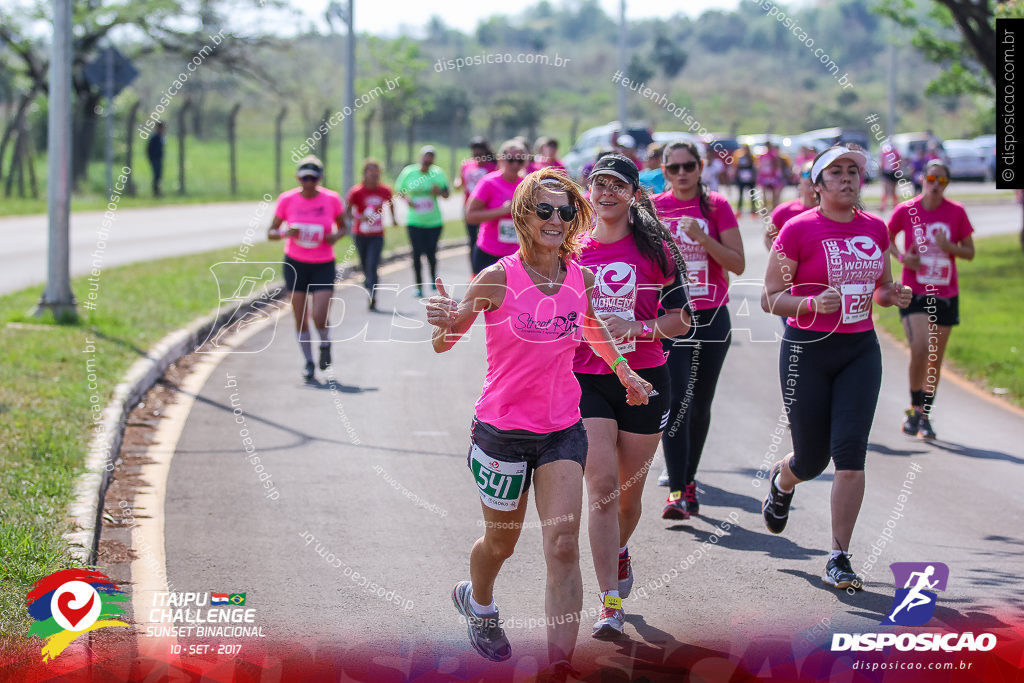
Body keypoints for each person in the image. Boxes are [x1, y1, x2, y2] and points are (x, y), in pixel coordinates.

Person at [426, 167, 652, 674]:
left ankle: (558, 666)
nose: (555, 219)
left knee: (563, 542)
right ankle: (478, 601)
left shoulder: (580, 276)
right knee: (501, 543)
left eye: (565, 211)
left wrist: (624, 372)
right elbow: (446, 342)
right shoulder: (497, 278)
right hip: (501, 432)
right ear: (523, 216)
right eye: (544, 209)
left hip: (562, 429)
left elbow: (591, 327)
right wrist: (442, 322)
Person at [760, 145, 912, 590]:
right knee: (811, 458)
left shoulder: (876, 228)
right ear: (818, 183)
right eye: (836, 172)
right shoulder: (798, 229)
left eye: (854, 172)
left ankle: (839, 557)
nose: (847, 178)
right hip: (806, 349)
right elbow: (770, 297)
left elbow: (881, 287)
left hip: (859, 350)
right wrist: (808, 302)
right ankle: (782, 480)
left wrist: (892, 295)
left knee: (849, 455)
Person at [575, 155, 691, 638]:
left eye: (616, 186)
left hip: (645, 379)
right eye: (598, 184)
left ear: (634, 194)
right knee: (601, 489)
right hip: (585, 378)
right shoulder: (571, 248)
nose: (606, 193)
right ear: (588, 191)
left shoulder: (656, 250)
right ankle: (609, 603)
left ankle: (621, 550)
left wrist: (639, 328)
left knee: (627, 497)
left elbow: (682, 320)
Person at [653, 141, 745, 518]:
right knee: (677, 401)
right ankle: (676, 490)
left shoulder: (716, 207)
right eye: (673, 168)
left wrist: (703, 238)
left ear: (701, 166)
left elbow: (738, 264)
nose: (681, 174)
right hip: (674, 316)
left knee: (699, 405)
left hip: (711, 315)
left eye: (688, 166)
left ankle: (688, 480)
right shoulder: (653, 209)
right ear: (664, 171)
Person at [887, 160, 975, 440]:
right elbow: (885, 236)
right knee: (920, 348)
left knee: (935, 357)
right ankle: (914, 407)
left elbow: (970, 252)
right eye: (931, 178)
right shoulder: (907, 210)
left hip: (946, 293)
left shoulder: (956, 212)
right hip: (915, 290)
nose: (936, 184)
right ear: (921, 179)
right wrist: (902, 257)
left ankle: (924, 415)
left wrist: (950, 247)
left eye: (942, 181)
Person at [267, 155, 347, 380]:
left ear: (320, 178)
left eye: (313, 178)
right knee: (300, 316)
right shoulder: (287, 199)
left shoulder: (331, 199)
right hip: (295, 263)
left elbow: (343, 227)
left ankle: (324, 343)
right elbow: (271, 232)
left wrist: (334, 237)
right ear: (298, 178)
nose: (309, 183)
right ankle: (309, 362)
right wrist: (285, 233)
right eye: (305, 178)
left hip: (323, 263)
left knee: (320, 315)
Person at [395, 145, 450, 297]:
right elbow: (399, 190)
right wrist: (407, 199)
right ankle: (418, 285)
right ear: (420, 157)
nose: (427, 162)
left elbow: (447, 194)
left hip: (434, 221)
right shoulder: (410, 172)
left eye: (430, 159)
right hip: (415, 221)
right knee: (417, 253)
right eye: (425, 158)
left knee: (431, 252)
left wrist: (438, 191)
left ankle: (433, 277)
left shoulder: (438, 173)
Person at [466, 140, 528, 274]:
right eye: (511, 160)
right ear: (501, 159)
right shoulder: (488, 182)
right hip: (488, 253)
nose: (515, 164)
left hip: (517, 256)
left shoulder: (527, 185)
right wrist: (502, 211)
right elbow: (470, 216)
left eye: (520, 160)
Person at [345, 159, 396, 310]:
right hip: (360, 234)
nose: (374, 174)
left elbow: (391, 203)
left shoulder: (384, 190)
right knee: (365, 265)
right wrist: (360, 218)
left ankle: (372, 294)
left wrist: (394, 219)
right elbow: (347, 214)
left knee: (372, 264)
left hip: (377, 234)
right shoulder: (356, 192)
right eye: (370, 171)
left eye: (376, 171)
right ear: (365, 173)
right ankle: (368, 285)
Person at [455, 137, 497, 271]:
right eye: (474, 154)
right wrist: (457, 184)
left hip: (487, 210)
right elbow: (459, 181)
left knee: (486, 240)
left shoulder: (493, 167)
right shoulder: (466, 165)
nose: (477, 157)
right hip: (470, 208)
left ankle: (490, 269)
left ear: (486, 153)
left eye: (480, 155)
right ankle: (475, 272)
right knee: (472, 240)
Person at [766, 161, 816, 250]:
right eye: (807, 173)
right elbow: (769, 237)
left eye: (816, 174)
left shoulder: (831, 212)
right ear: (799, 177)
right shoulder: (784, 210)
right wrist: (780, 260)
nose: (811, 178)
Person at [756, 140, 783, 214]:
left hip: (772, 176)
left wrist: (778, 174)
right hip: (764, 175)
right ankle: (764, 208)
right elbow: (759, 165)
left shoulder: (774, 155)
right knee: (764, 193)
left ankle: (774, 208)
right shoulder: (762, 155)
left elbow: (777, 165)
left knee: (774, 193)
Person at [878, 140, 902, 212]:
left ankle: (892, 205)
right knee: (889, 190)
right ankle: (886, 205)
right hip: (890, 172)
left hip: (892, 172)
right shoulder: (895, 152)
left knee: (890, 191)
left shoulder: (890, 153)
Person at [734, 144, 757, 215]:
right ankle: (739, 209)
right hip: (742, 177)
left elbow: (754, 167)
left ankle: (753, 209)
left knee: (752, 194)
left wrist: (754, 177)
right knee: (740, 194)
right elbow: (737, 167)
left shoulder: (752, 157)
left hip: (750, 178)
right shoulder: (740, 157)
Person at [147, 121, 165, 197]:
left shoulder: (161, 137)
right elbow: (149, 149)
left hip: (159, 159)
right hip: (155, 160)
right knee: (156, 176)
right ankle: (155, 192)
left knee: (159, 176)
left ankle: (158, 191)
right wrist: (152, 158)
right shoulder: (154, 137)